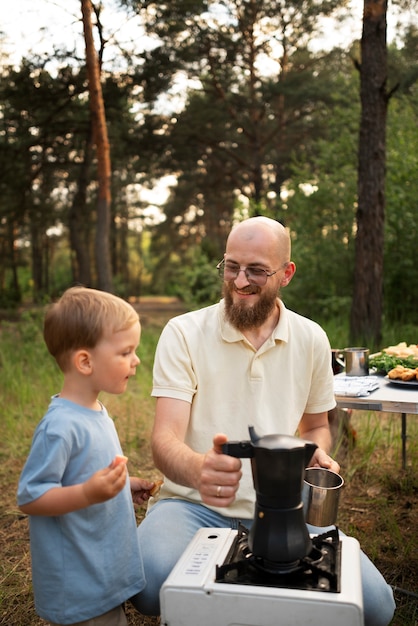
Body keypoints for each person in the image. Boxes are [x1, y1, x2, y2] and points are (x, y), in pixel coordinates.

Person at [131, 217, 395, 626]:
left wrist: (316, 454)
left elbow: (314, 428)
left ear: (286, 274)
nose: (239, 281)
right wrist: (199, 470)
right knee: (147, 589)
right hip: (191, 506)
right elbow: (164, 439)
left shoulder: (312, 338)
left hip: (283, 510)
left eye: (256, 270)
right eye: (231, 266)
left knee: (378, 608)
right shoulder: (182, 332)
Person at [17, 286, 156, 626]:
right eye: (126, 352)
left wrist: (122, 486)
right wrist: (88, 494)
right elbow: (31, 497)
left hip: (100, 573)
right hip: (79, 585)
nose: (136, 360)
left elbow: (85, 473)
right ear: (85, 361)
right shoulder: (60, 427)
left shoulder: (94, 410)